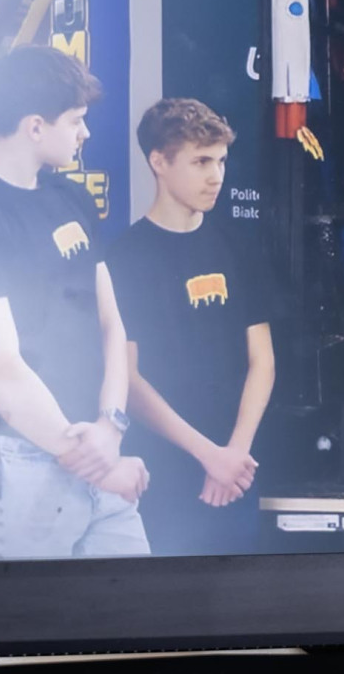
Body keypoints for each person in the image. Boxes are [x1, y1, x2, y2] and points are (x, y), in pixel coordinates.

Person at [0, 46, 150, 560]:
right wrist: (97, 462)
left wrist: (111, 425)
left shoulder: (71, 196)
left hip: (98, 443)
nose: (85, 133)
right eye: (75, 120)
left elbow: (111, 323)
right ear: (35, 126)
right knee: (25, 614)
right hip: (16, 459)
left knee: (140, 606)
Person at [104, 99, 274, 557]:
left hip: (237, 469)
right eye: (201, 162)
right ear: (159, 162)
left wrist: (233, 454)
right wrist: (208, 455)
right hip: (163, 468)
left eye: (221, 161)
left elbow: (262, 360)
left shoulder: (237, 244)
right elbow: (128, 379)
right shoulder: (124, 257)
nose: (216, 176)